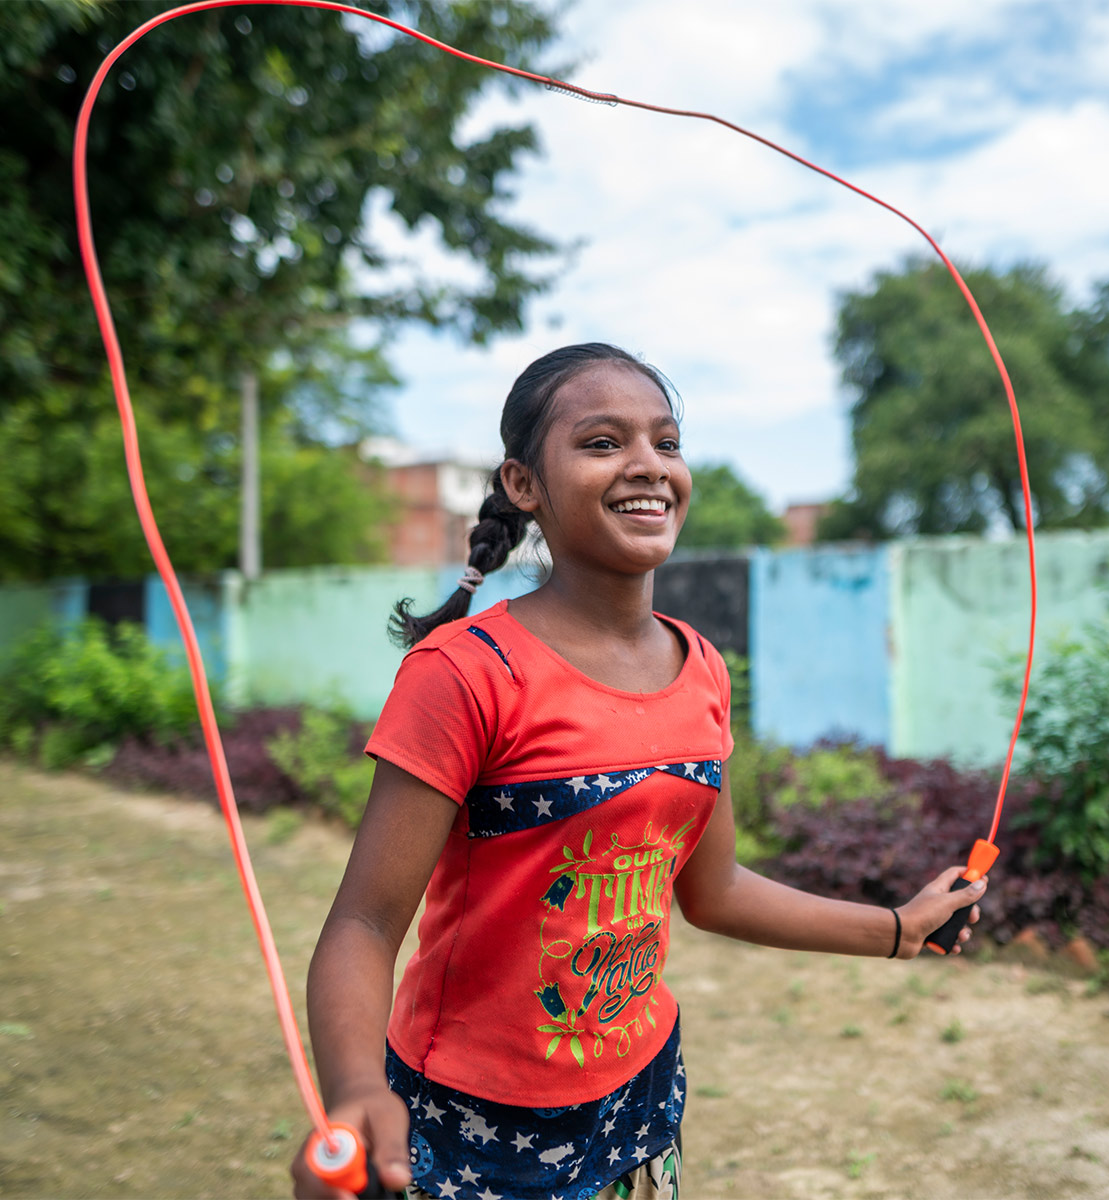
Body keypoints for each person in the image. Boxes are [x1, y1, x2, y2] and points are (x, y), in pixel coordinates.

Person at [291, 343, 985, 1200]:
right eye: (602, 442)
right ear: (523, 483)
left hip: (641, 1107)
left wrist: (898, 928)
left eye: (667, 441)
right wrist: (356, 1090)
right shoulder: (466, 673)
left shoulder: (702, 669)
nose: (649, 466)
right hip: (471, 1130)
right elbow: (365, 922)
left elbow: (714, 890)